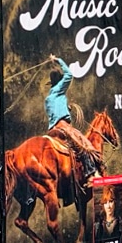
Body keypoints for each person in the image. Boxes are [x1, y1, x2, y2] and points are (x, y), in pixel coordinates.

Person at [45, 55, 99, 188]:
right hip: (63, 126)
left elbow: (54, 114)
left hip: (52, 129)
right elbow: (69, 74)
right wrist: (57, 60)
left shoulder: (49, 98)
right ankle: (91, 174)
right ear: (59, 82)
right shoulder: (59, 89)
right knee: (84, 145)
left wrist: (66, 108)